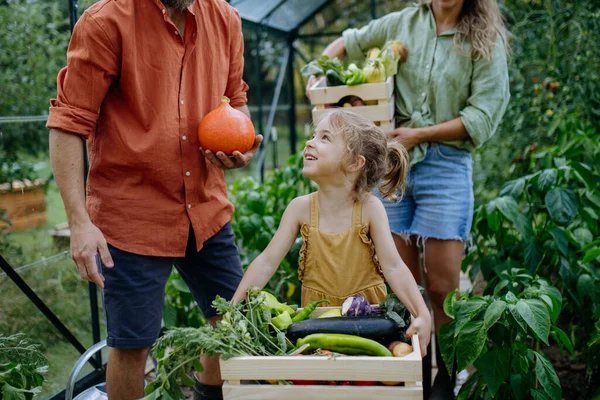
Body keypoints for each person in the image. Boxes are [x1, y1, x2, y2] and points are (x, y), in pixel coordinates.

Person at [46, 0, 262, 399]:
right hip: (132, 214)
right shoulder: (105, 21)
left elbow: (235, 100)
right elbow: (68, 123)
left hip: (206, 208)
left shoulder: (226, 20)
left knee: (231, 320)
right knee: (132, 344)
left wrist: (239, 145)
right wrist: (79, 222)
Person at [306, 0, 510, 398]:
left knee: (442, 285)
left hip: (447, 166)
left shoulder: (483, 39)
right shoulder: (403, 23)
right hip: (392, 164)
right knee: (402, 282)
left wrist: (421, 134)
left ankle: (447, 375)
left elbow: (483, 115)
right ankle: (415, 371)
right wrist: (317, 76)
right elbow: (348, 42)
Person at [232, 109, 432, 357]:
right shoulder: (300, 209)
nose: (310, 143)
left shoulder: (370, 209)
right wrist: (234, 309)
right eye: (313, 135)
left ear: (354, 163)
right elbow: (266, 262)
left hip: (369, 328)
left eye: (325, 138)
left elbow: (394, 268)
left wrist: (422, 314)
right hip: (317, 330)